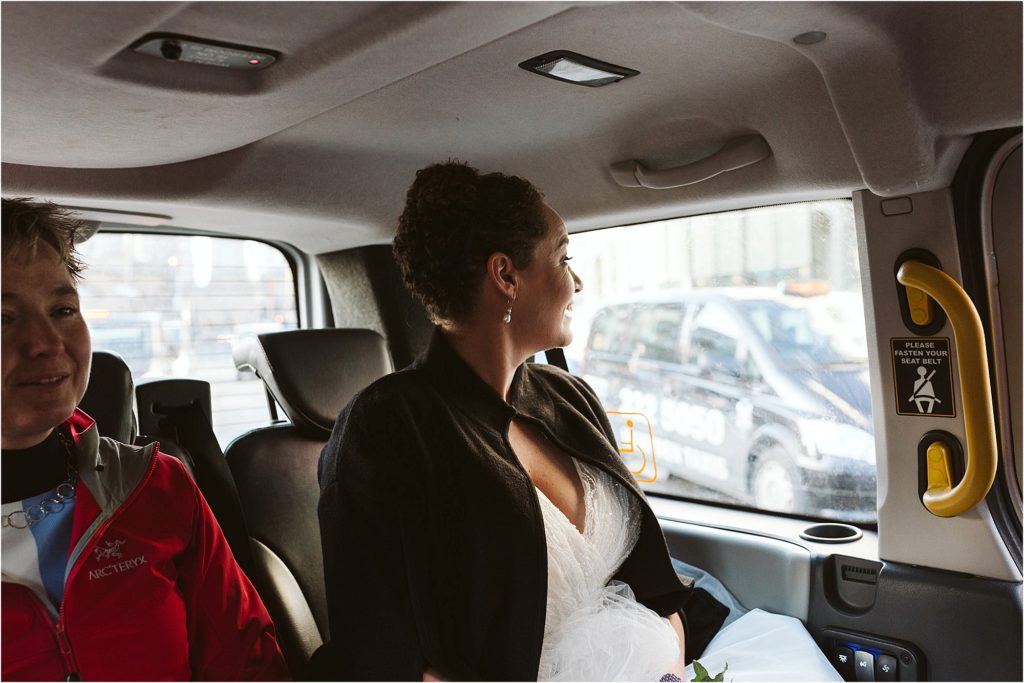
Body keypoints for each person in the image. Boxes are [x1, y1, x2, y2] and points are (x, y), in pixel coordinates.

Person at [318, 161, 689, 681]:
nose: (577, 282)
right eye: (564, 258)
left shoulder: (572, 398)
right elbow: (381, 654)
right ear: (506, 275)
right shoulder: (385, 427)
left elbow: (656, 589)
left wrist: (671, 674)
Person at [1, 198, 289, 681]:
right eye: (2, 317)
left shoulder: (156, 486)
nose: (47, 342)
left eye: (63, 309)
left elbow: (248, 666)